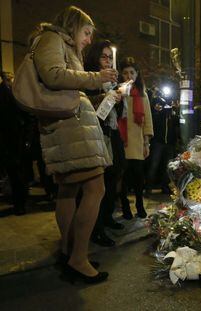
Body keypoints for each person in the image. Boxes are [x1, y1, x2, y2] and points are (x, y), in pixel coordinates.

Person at [30, 6, 116, 283]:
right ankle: (79, 257)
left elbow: (64, 82)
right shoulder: (51, 39)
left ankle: (69, 251)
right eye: (87, 32)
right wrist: (95, 78)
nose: (89, 40)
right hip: (70, 128)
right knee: (95, 187)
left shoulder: (59, 43)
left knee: (68, 190)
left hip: (70, 127)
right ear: (73, 25)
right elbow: (54, 75)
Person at [84, 40, 125, 247]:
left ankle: (107, 216)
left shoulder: (112, 80)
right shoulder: (89, 78)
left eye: (110, 56)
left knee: (114, 175)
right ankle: (95, 227)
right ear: (95, 58)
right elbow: (85, 104)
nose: (108, 60)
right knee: (97, 183)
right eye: (104, 56)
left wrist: (118, 95)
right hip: (96, 133)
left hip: (112, 131)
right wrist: (105, 96)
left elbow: (116, 110)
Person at [118, 57, 153, 219]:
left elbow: (147, 120)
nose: (129, 75)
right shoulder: (118, 93)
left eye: (132, 72)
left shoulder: (142, 94)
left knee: (139, 176)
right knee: (124, 177)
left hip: (138, 142)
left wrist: (147, 142)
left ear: (137, 74)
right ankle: (125, 205)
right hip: (122, 141)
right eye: (125, 73)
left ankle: (139, 204)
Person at [0, 71, 33, 215]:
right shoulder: (9, 92)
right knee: (15, 173)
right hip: (10, 139)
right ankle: (19, 202)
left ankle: (20, 202)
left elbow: (27, 116)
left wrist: (28, 138)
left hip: (14, 139)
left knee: (18, 173)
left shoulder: (14, 92)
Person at [146, 88, 179, 195]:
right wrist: (157, 111)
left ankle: (165, 187)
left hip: (169, 143)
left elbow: (177, 124)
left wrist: (175, 111)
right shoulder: (157, 107)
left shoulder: (173, 111)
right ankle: (148, 187)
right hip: (158, 142)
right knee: (153, 165)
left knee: (168, 167)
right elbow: (153, 121)